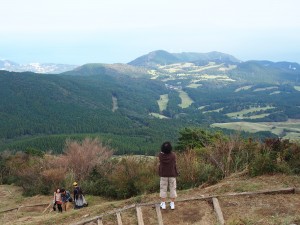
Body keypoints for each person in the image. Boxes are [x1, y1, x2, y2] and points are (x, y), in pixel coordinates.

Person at [158, 141, 179, 210]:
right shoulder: (173, 155)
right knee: (173, 188)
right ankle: (172, 204)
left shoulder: (160, 156)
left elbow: (161, 152)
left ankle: (163, 204)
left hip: (163, 175)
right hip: (172, 174)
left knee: (163, 189)